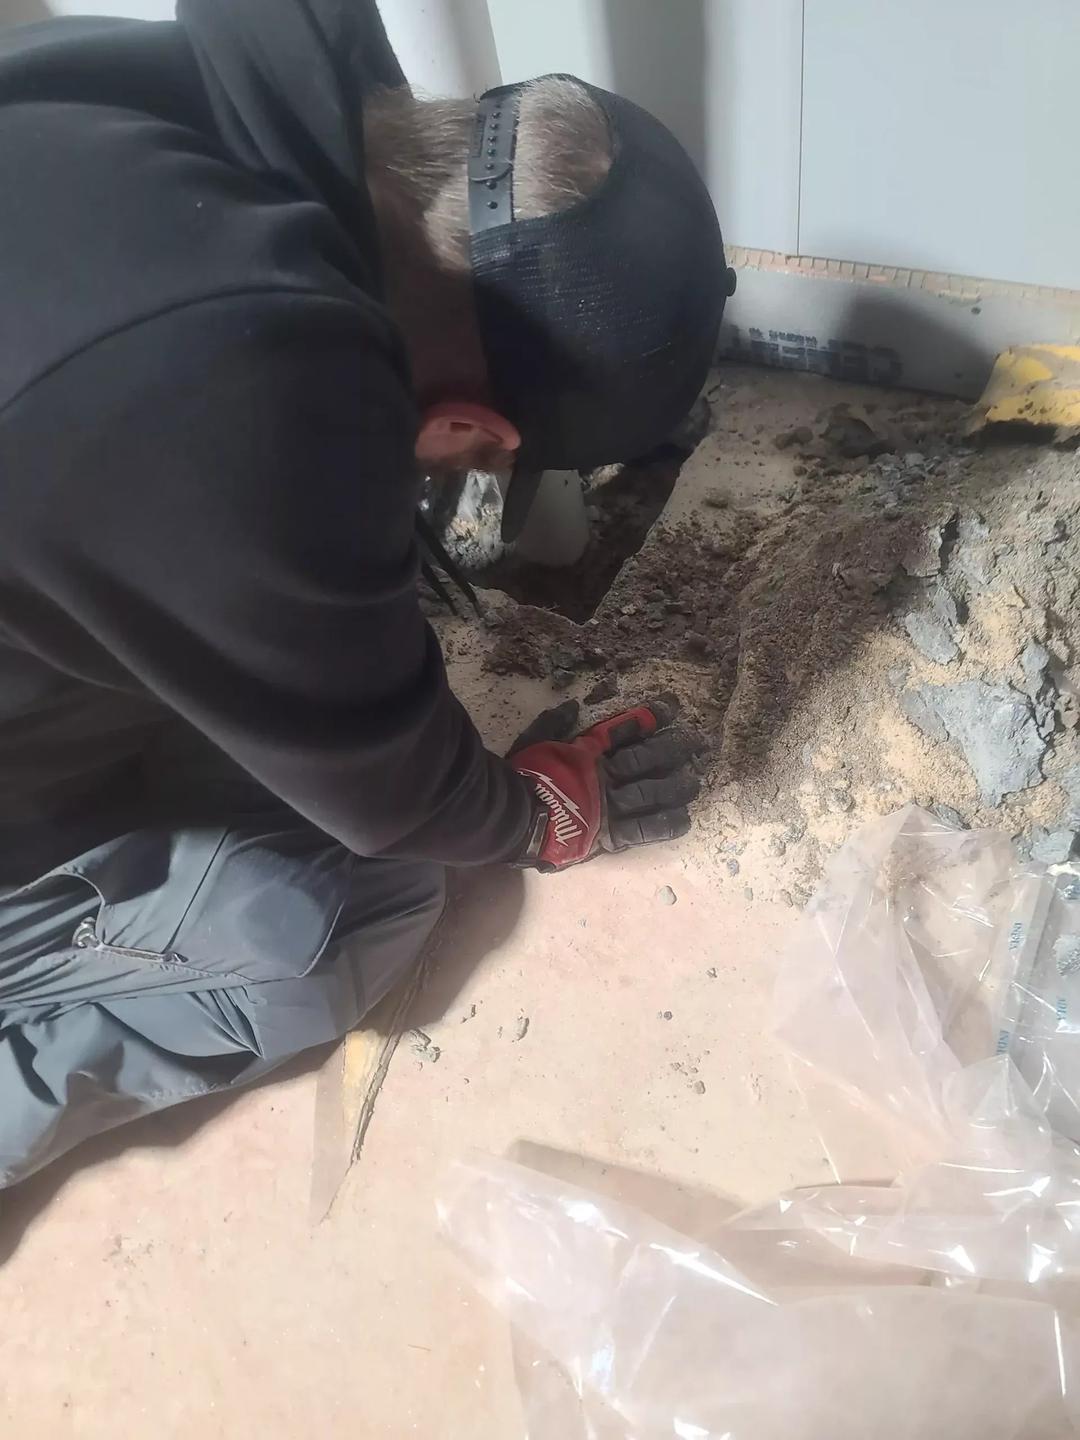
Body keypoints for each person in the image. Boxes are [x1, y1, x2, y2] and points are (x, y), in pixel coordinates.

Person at [0, 0, 732, 1187]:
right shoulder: (223, 387)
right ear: (471, 429)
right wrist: (535, 815)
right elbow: (393, 803)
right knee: (346, 911)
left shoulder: (217, 81)